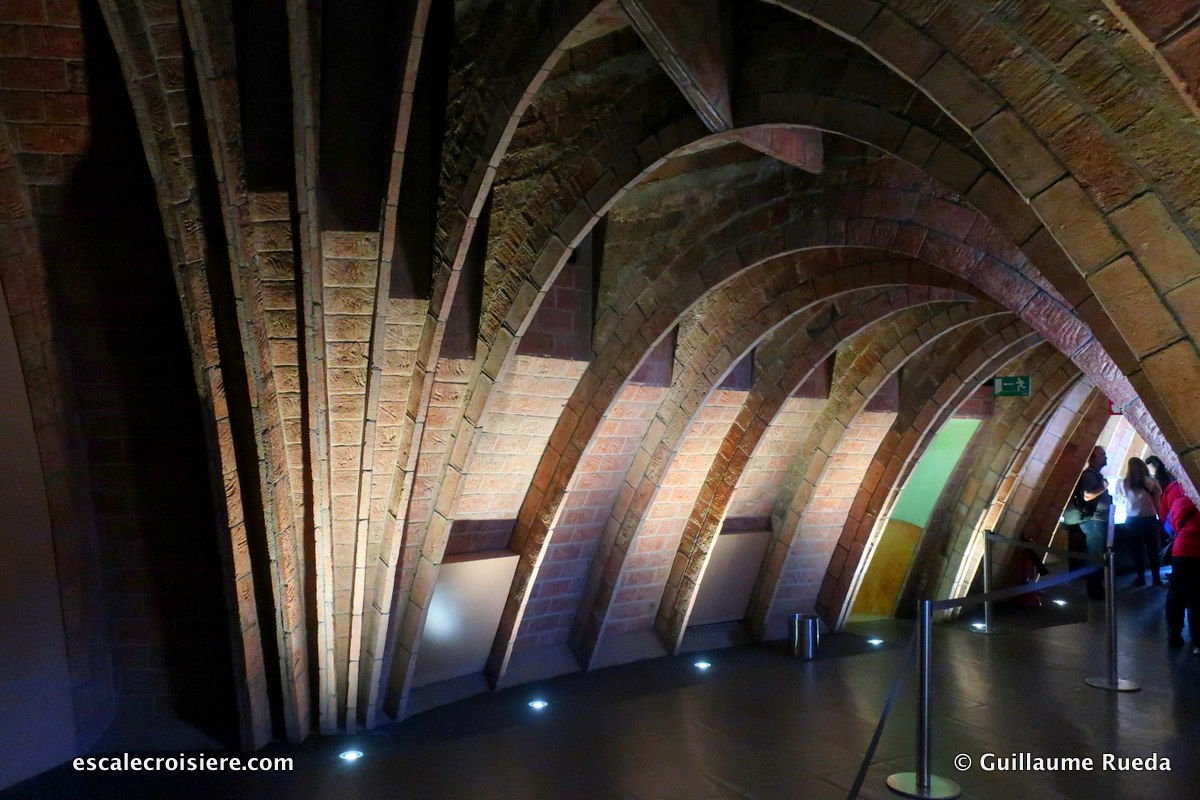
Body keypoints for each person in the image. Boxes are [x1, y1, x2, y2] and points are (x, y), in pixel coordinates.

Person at [1162, 484, 1200, 654]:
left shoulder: (1179, 500)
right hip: (1197, 552)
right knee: (1196, 598)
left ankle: (1173, 635)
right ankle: (1198, 641)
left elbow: (1167, 523)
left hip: (1180, 552)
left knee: (1176, 595)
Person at [1070, 446, 1111, 600]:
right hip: (1094, 521)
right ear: (1093, 458)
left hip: (1098, 520)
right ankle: (1094, 589)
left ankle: (1096, 586)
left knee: (1097, 554)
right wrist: (1103, 487)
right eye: (1102, 455)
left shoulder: (1094, 474)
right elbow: (1087, 495)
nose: (1105, 457)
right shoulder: (1089, 475)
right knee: (1095, 555)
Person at [1117, 457, 1162, 586]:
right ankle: (1156, 578)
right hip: (1149, 518)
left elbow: (1122, 496)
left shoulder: (1125, 483)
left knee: (1137, 551)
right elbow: (1158, 497)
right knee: (1153, 550)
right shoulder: (1151, 482)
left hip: (1133, 520)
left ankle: (1140, 578)